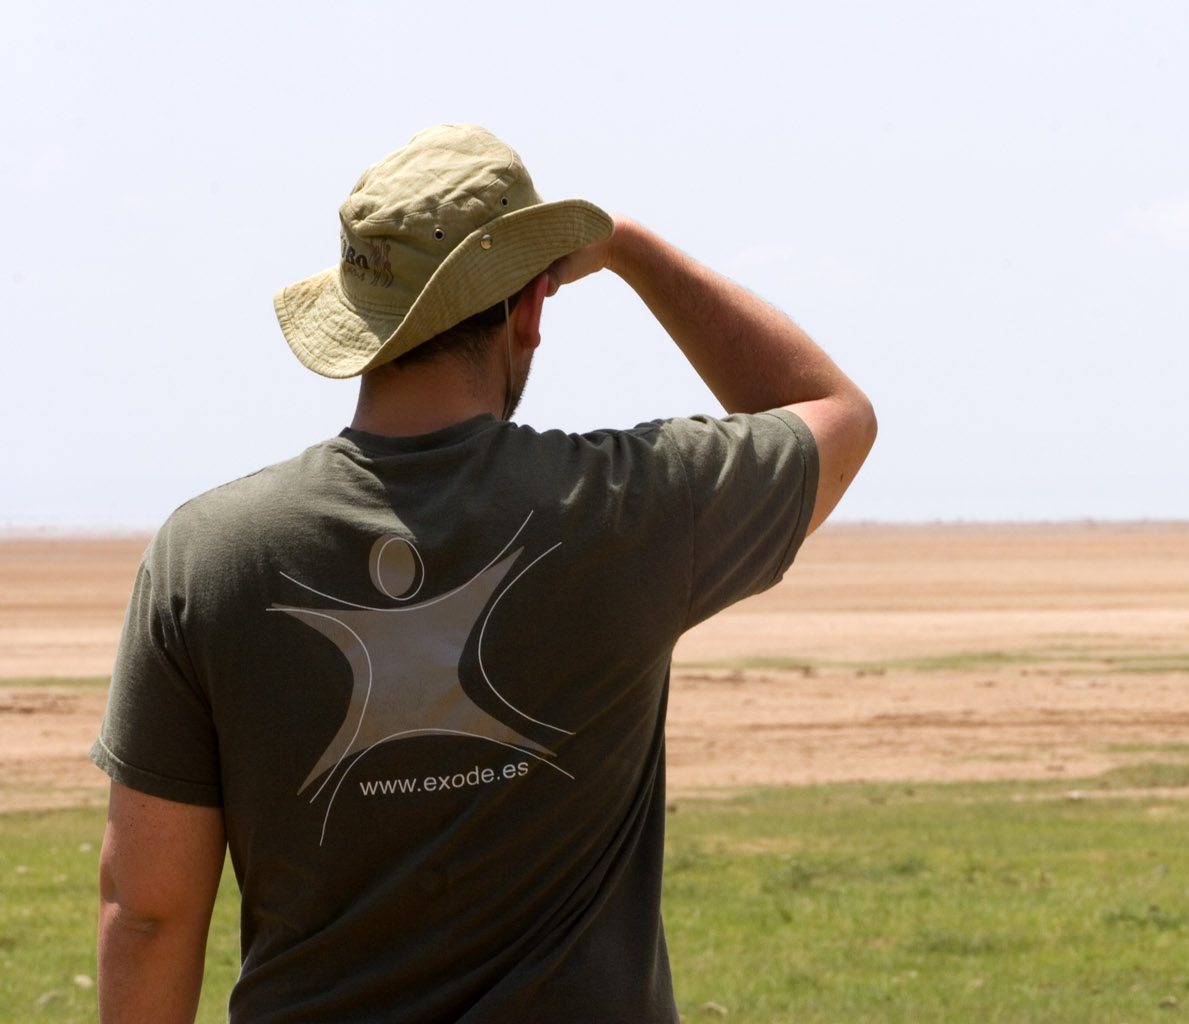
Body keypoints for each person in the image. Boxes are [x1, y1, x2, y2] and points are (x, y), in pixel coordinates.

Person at [90, 123, 876, 1023]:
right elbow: (836, 415)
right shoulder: (633, 506)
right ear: (531, 311)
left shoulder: (206, 554)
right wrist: (628, 247)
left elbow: (147, 911)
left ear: (358, 314)